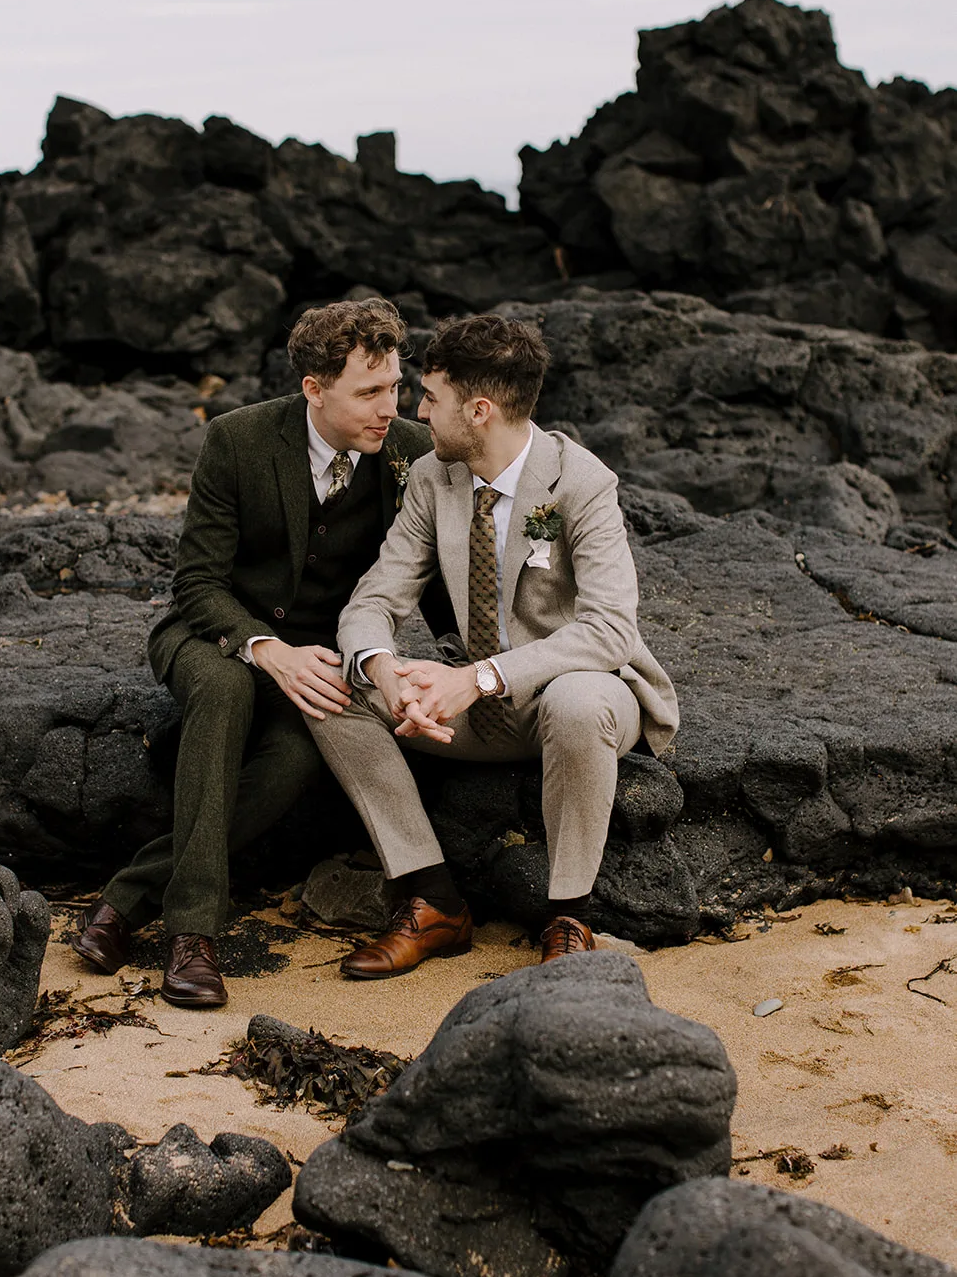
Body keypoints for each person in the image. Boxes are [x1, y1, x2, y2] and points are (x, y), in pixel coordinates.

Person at [71, 297, 451, 1006]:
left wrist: (471, 663)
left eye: (394, 386)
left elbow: (432, 577)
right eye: (367, 391)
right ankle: (192, 937)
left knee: (295, 762)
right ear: (313, 388)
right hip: (211, 634)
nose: (387, 406)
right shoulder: (237, 439)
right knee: (225, 690)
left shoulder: (408, 451)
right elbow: (197, 581)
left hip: (322, 661)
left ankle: (124, 901)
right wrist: (263, 647)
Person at [309, 312, 680, 979]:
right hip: (472, 705)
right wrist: (385, 670)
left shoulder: (580, 481)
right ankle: (434, 901)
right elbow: (374, 598)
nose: (414, 411)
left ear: (478, 410)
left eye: (429, 398)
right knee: (328, 687)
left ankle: (567, 915)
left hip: (575, 695)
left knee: (577, 700)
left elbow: (607, 630)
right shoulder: (430, 477)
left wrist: (478, 678)